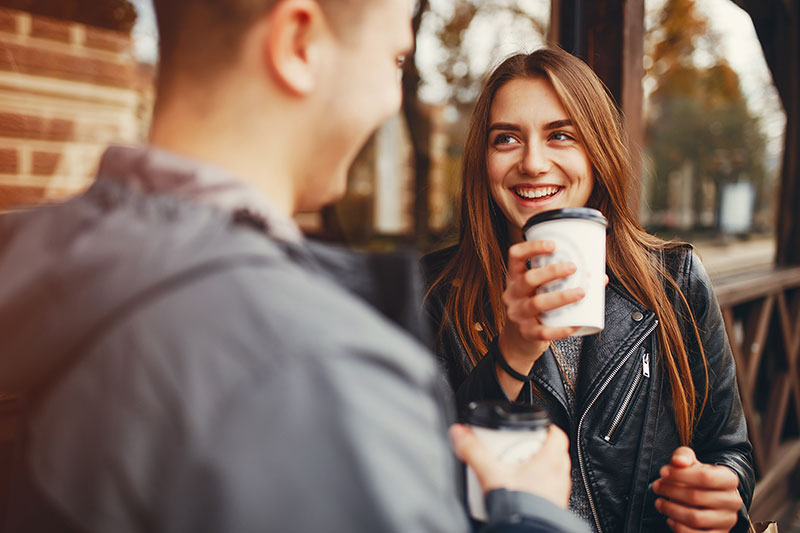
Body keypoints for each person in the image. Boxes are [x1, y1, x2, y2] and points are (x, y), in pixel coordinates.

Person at [0, 2, 590, 532]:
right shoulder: (305, 366)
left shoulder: (58, 271)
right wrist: (528, 514)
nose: (392, 96)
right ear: (299, 43)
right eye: (395, 56)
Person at [422, 48, 754, 533]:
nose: (534, 163)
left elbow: (730, 451)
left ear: (596, 150)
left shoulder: (675, 281)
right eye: (507, 139)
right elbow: (417, 474)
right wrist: (511, 353)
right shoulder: (435, 293)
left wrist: (720, 493)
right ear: (483, 158)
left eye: (560, 135)